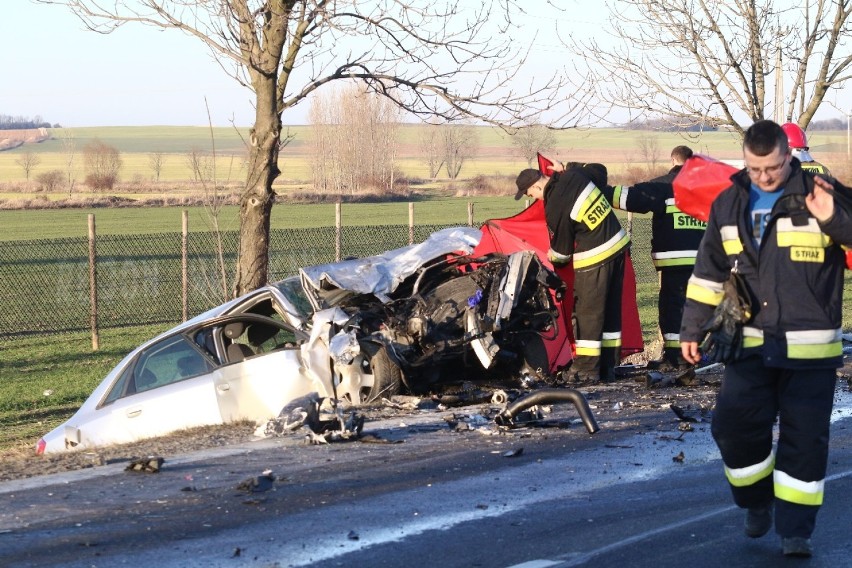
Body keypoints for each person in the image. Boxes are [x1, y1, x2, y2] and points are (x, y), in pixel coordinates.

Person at [680, 119, 852, 557]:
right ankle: (756, 501)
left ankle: (796, 530)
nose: (764, 177)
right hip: (750, 343)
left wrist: (833, 220)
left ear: (788, 156)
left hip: (811, 348)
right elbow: (707, 272)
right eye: (755, 169)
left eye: (772, 168)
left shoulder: (821, 193)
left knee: (804, 441)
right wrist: (692, 327)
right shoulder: (729, 202)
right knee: (733, 428)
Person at [515, 162, 630, 384]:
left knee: (588, 313)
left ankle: (586, 369)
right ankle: (607, 367)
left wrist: (550, 256)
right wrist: (567, 167)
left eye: (531, 195)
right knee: (609, 311)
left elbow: (563, 252)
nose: (534, 199)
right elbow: (600, 171)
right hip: (618, 246)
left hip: (596, 256)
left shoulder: (555, 205)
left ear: (538, 187)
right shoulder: (573, 175)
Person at [602, 145, 704, 372]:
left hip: (674, 261)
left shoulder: (663, 185)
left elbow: (630, 198)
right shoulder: (708, 186)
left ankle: (676, 357)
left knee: (672, 307)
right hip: (704, 261)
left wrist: (601, 190)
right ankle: (693, 353)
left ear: (673, 160)